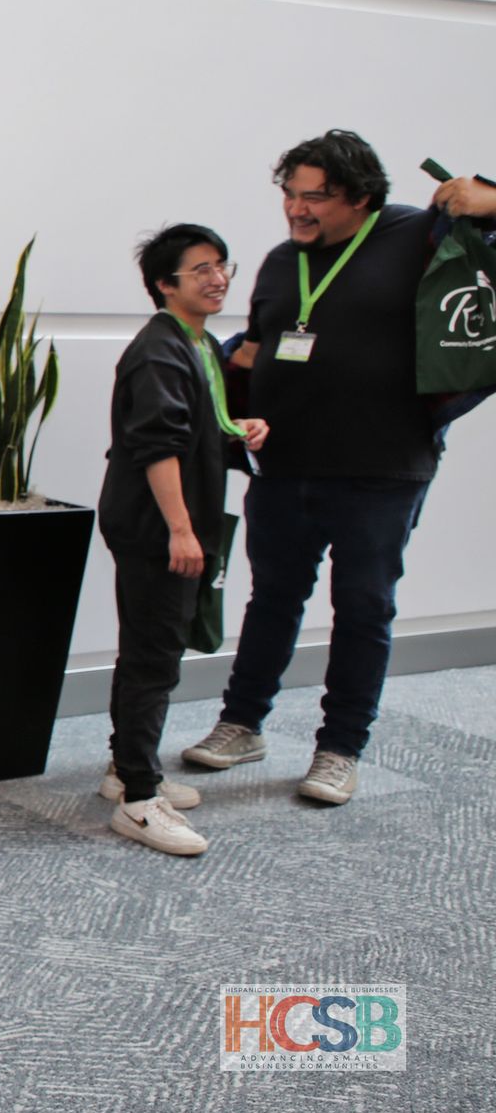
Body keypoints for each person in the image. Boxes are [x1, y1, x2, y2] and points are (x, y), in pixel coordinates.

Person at [182, 131, 438, 805]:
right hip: (286, 463)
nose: (297, 209)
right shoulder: (277, 261)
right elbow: (267, 338)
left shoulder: (416, 236)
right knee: (272, 599)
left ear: (360, 197)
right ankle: (243, 724)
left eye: (315, 197)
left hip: (381, 466)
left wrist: (488, 196)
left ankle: (340, 748)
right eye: (289, 194)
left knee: (362, 607)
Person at [98, 225, 269, 856]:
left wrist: (236, 428)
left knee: (146, 647)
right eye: (200, 269)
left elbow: (196, 428)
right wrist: (181, 530)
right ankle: (140, 799)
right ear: (165, 284)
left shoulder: (196, 344)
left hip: (166, 522)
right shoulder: (160, 349)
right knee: (155, 656)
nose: (218, 277)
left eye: (221, 265)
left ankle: (124, 770)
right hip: (155, 527)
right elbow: (157, 445)